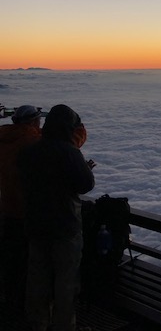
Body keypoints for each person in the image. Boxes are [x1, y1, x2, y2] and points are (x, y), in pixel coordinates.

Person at [18, 104, 95, 331]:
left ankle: (37, 323)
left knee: (37, 279)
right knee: (66, 281)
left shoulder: (29, 151)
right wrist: (85, 168)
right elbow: (86, 184)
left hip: (35, 225)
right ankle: (64, 326)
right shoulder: (69, 152)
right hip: (64, 226)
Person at [0, 105, 42, 311]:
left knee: (11, 258)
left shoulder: (3, 139)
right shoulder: (33, 142)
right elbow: (65, 151)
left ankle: (10, 300)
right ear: (33, 122)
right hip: (30, 213)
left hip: (7, 209)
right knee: (30, 263)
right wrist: (79, 129)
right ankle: (26, 308)